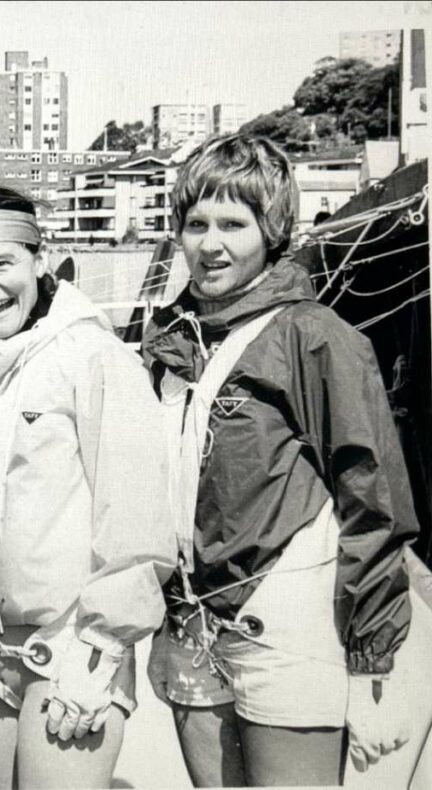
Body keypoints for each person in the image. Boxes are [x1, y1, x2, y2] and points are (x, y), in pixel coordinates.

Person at [141, 133, 418, 787]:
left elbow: (374, 500)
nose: (211, 244)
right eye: (196, 223)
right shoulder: (173, 343)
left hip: (288, 626)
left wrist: (374, 657)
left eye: (234, 224)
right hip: (191, 622)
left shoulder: (316, 338)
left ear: (272, 231)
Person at [0, 184, 176, 789]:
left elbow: (136, 524)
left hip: (71, 649)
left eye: (2, 264)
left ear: (39, 258)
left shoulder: (94, 357)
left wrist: (99, 656)